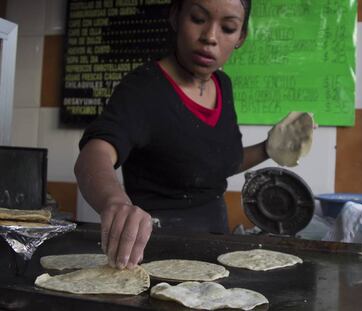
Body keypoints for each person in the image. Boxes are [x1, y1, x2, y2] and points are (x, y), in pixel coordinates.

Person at [75, 0, 313, 270]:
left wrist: (268, 149)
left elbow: (217, 164)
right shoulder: (144, 88)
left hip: (215, 247)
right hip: (154, 254)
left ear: (241, 37)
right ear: (176, 16)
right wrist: (114, 201)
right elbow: (94, 155)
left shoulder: (222, 85)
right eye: (198, 19)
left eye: (228, 27)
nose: (210, 37)